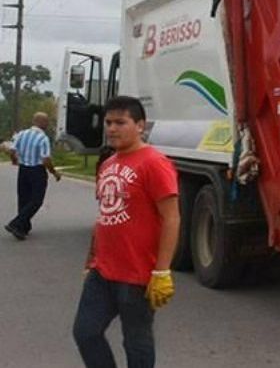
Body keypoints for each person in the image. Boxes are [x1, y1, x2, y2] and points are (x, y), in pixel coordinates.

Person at [73, 96, 180, 368]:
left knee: (136, 342)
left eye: (121, 122)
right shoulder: (108, 164)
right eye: (108, 122)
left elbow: (171, 218)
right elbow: (104, 217)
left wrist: (162, 271)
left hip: (137, 275)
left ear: (140, 126)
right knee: (85, 332)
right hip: (102, 271)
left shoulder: (154, 162)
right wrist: (90, 260)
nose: (111, 128)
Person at [4, 112, 61, 240]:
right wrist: (54, 172)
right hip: (37, 171)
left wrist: (14, 160)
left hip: (23, 170)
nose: (47, 124)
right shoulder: (43, 138)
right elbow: (45, 159)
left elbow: (12, 150)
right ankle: (16, 223)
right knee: (36, 200)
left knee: (23, 198)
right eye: (46, 122)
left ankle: (23, 228)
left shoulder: (22, 134)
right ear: (41, 122)